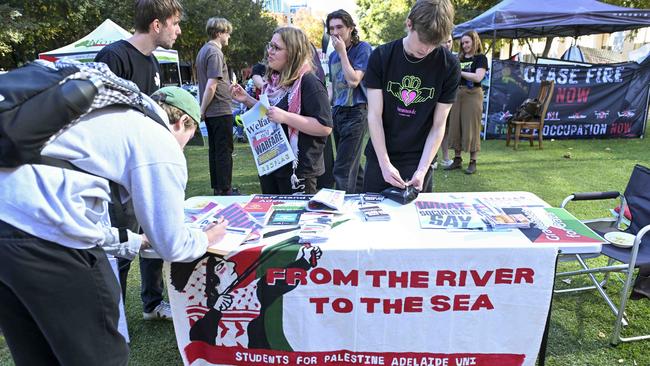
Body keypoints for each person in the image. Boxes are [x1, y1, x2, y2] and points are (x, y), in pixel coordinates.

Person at [0, 85, 228, 366]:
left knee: (38, 354)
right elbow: (173, 245)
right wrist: (206, 237)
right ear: (183, 122)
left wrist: (136, 241)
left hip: (9, 224)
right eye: (187, 139)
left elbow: (81, 220)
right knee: (102, 355)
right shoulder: (157, 139)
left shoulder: (114, 116)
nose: (181, 148)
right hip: (47, 237)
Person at [94, 0, 183, 321]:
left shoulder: (154, 62)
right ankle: (108, 317)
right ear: (157, 24)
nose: (179, 31)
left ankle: (152, 304)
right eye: (175, 23)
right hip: (118, 173)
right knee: (121, 246)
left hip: (147, 168)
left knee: (155, 237)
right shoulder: (113, 57)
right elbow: (98, 117)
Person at [362, 0, 459, 194]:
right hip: (380, 156)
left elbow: (439, 125)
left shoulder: (449, 65)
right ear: (409, 24)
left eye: (434, 44)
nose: (426, 50)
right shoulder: (381, 57)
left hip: (419, 160)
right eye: (422, 42)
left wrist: (423, 169)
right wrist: (384, 163)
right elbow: (374, 115)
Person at [231, 27, 332, 194]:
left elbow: (324, 126)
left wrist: (286, 117)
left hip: (297, 171)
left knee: (295, 219)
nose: (270, 52)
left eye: (276, 48)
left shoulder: (309, 83)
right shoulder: (274, 82)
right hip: (271, 162)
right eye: (270, 46)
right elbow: (271, 112)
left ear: (293, 53)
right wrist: (247, 100)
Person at [326, 9, 373, 193]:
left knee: (343, 169)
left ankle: (342, 208)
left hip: (356, 112)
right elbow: (334, 87)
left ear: (350, 28)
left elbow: (354, 81)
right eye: (331, 28)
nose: (335, 32)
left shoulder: (363, 49)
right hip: (337, 112)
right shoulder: (331, 56)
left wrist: (343, 53)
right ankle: (362, 197)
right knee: (352, 165)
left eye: (339, 27)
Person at [196, 17, 235, 196]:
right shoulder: (215, 52)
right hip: (219, 109)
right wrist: (201, 110)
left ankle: (219, 187)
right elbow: (211, 85)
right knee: (224, 151)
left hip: (213, 111)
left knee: (215, 150)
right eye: (227, 33)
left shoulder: (203, 50)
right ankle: (225, 189)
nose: (228, 37)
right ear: (219, 33)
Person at [445, 30, 488, 175]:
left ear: (475, 41)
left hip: (473, 94)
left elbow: (478, 77)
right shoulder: (459, 58)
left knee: (472, 127)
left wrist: (459, 72)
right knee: (455, 125)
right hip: (457, 93)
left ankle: (473, 161)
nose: (464, 45)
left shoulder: (481, 58)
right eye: (462, 43)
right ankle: (457, 159)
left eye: (467, 42)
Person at [434, 35, 455, 169]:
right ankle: (433, 158)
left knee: (445, 129)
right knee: (433, 127)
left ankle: (446, 157)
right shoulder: (433, 58)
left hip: (447, 100)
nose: (447, 44)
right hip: (433, 99)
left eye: (449, 41)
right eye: (444, 42)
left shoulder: (453, 61)